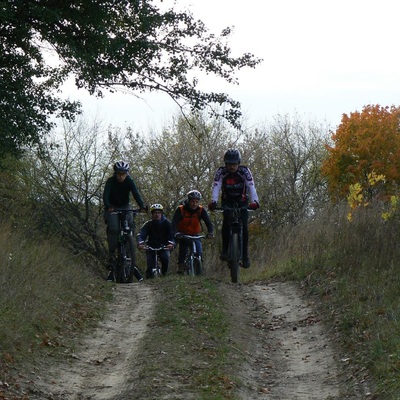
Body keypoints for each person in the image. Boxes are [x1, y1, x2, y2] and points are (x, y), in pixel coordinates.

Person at [208, 149, 259, 268]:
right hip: (227, 200)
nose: (232, 166)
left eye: (234, 164)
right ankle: (225, 250)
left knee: (245, 227)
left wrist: (255, 201)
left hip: (242, 200)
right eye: (229, 164)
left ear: (238, 163)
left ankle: (245, 256)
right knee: (226, 221)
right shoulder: (221, 172)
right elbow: (216, 186)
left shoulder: (244, 171)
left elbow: (251, 186)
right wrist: (214, 202)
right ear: (225, 164)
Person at [103, 160, 147, 281]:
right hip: (112, 207)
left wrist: (142, 205)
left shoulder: (129, 181)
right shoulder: (110, 181)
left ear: (127, 173)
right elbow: (105, 195)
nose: (121, 176)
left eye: (124, 174)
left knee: (131, 223)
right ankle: (112, 255)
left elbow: (136, 193)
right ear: (115, 173)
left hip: (125, 206)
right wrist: (108, 205)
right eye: (119, 174)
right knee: (114, 228)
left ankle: (129, 246)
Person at [171, 190, 214, 274]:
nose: (194, 204)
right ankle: (181, 266)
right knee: (183, 248)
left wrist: (210, 232)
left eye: (196, 202)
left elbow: (208, 223)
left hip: (195, 234)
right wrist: (175, 233)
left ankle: (199, 269)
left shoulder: (201, 210)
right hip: (183, 233)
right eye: (192, 201)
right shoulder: (181, 209)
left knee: (199, 251)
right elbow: (173, 223)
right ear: (188, 201)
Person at [137, 204, 175, 279]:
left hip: (164, 247)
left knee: (165, 258)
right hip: (151, 246)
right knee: (150, 265)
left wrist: (171, 243)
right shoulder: (148, 224)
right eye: (155, 213)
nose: (157, 215)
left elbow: (172, 234)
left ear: (161, 213)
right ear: (152, 214)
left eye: (158, 213)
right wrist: (140, 243)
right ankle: (148, 279)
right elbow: (141, 234)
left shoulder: (167, 223)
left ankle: (164, 275)